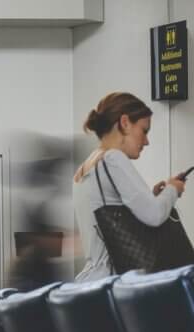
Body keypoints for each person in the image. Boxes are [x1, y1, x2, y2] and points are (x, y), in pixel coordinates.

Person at [74, 92, 186, 281]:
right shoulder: (113, 158)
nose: (146, 141)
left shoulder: (85, 167)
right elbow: (155, 215)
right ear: (124, 122)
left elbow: (109, 219)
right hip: (116, 282)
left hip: (91, 280)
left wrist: (151, 196)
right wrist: (173, 189)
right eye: (144, 130)